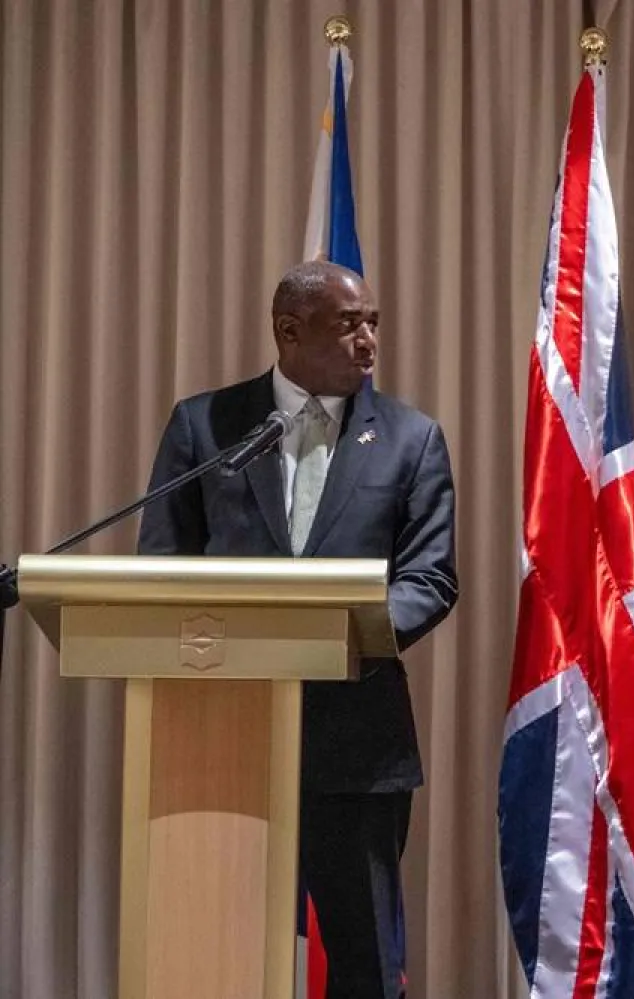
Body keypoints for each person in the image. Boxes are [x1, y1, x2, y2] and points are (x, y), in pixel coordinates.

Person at [138, 260, 458, 999]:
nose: (369, 339)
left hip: (356, 742)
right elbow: (162, 564)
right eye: (350, 323)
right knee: (216, 957)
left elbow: (430, 579)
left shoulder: (411, 438)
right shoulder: (206, 425)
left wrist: (341, 635)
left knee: (366, 967)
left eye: (373, 321)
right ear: (290, 330)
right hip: (221, 738)